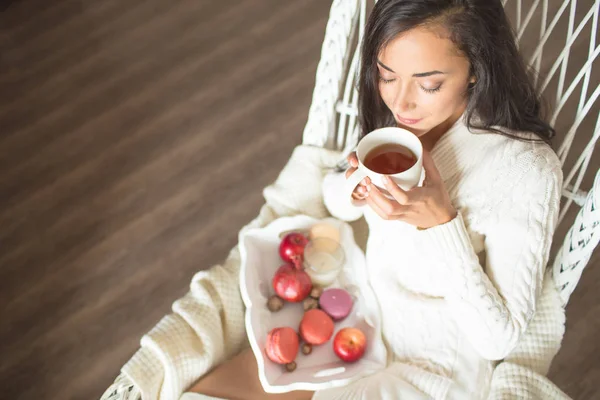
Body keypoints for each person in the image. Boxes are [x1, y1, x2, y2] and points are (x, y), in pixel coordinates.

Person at [185, 0, 562, 398]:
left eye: (429, 84)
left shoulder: (524, 170)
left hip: (429, 372)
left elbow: (498, 340)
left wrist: (442, 223)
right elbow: (336, 201)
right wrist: (355, 184)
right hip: (358, 327)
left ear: (476, 69)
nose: (401, 103)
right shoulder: (399, 128)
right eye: (386, 76)